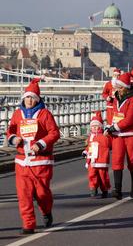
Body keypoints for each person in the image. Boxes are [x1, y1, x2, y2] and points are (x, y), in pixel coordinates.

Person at [6, 78, 60, 234]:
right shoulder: (17, 114)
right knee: (24, 195)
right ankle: (28, 224)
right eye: (27, 97)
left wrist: (41, 144)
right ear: (24, 98)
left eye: (32, 97)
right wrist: (13, 138)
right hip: (22, 161)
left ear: (37, 99)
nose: (29, 100)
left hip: (41, 160)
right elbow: (10, 130)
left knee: (42, 193)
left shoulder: (44, 114)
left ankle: (46, 211)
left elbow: (54, 133)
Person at [104, 73, 133, 200]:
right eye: (117, 88)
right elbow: (114, 115)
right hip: (118, 134)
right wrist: (109, 126)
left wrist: (115, 127)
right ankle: (117, 189)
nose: (118, 90)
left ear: (126, 88)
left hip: (132, 134)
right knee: (117, 159)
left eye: (120, 88)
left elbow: (130, 119)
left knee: (132, 162)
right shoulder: (116, 98)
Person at [82, 111, 111, 198]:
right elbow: (89, 147)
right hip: (92, 159)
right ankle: (93, 188)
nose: (94, 128)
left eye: (96, 126)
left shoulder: (104, 136)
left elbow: (108, 145)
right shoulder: (90, 137)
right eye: (93, 126)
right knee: (92, 174)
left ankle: (104, 189)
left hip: (101, 159)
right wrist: (85, 152)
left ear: (100, 127)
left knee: (103, 176)